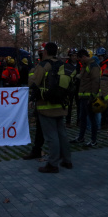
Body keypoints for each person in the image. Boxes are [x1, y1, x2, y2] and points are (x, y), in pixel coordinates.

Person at [28, 42, 73, 173]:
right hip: (61, 104)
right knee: (62, 134)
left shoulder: (42, 65)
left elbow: (33, 83)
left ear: (45, 52)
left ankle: (53, 164)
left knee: (51, 136)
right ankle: (67, 160)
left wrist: (31, 73)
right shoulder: (61, 64)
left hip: (46, 106)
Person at [69, 49, 101, 146]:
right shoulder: (86, 65)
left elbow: (95, 81)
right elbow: (83, 78)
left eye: (80, 59)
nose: (79, 61)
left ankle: (94, 140)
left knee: (92, 119)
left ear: (83, 57)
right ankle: (81, 137)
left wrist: (93, 96)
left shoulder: (93, 66)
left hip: (89, 98)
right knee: (82, 118)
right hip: (83, 97)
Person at [65, 48, 82, 128]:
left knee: (79, 105)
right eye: (73, 56)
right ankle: (68, 121)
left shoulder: (80, 64)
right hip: (69, 86)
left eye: (75, 56)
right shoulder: (66, 64)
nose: (74, 57)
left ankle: (79, 121)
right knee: (69, 104)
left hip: (78, 86)